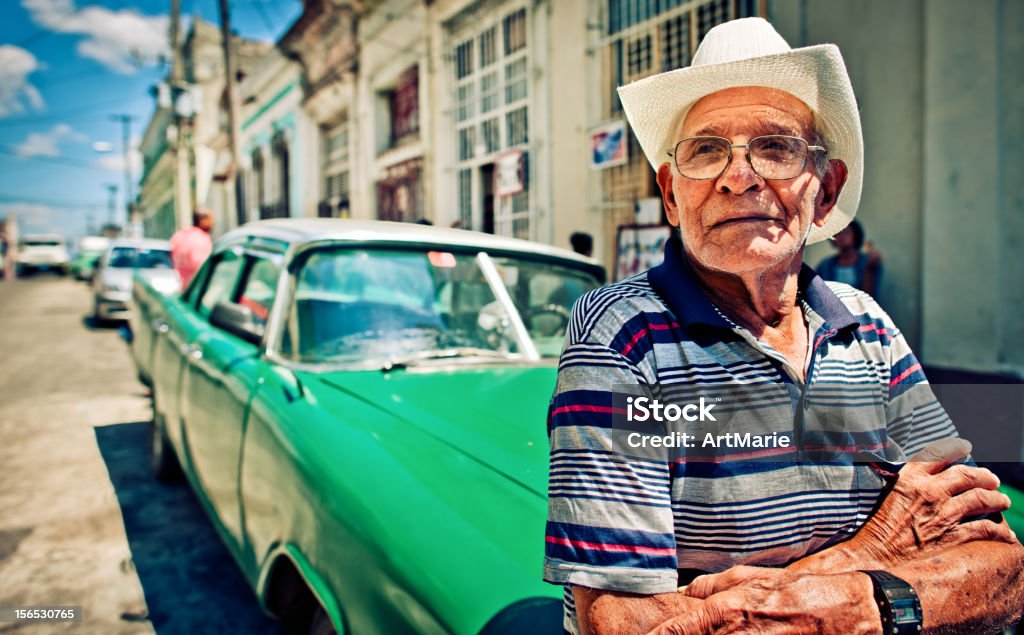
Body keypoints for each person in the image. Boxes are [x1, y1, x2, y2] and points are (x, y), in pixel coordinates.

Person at [543, 17, 1023, 635]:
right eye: (707, 150)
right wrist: (872, 554)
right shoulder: (625, 337)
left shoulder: (869, 330)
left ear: (824, 191)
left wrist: (853, 602)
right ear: (671, 194)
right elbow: (625, 623)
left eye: (775, 147)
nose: (738, 176)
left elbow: (997, 561)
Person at [817, 219, 883, 295]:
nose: (841, 236)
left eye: (846, 232)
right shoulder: (825, 265)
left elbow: (869, 295)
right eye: (837, 233)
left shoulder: (868, 262)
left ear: (856, 235)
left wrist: (870, 269)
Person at [170, 209, 213, 288]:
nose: (212, 223)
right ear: (202, 221)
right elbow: (203, 268)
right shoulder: (202, 239)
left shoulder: (179, 236)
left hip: (181, 288)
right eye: (210, 220)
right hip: (197, 289)